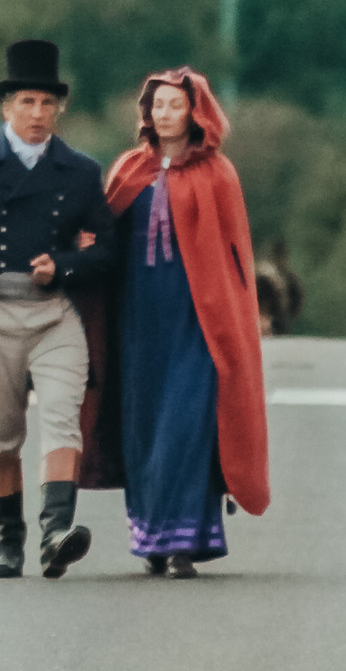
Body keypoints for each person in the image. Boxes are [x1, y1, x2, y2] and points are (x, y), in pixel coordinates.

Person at [0, 37, 115, 580]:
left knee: (63, 420)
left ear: (60, 109)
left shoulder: (79, 172)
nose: (38, 114)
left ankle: (56, 533)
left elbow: (107, 247)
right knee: (3, 430)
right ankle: (8, 539)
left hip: (56, 313)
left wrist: (64, 266)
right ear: (5, 106)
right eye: (27, 103)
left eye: (47, 104)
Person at [96, 68, 269, 577]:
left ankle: (182, 543)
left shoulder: (219, 175)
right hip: (138, 320)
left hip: (198, 321)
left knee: (187, 425)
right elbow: (103, 238)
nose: (164, 114)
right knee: (144, 425)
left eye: (175, 105)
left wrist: (232, 326)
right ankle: (151, 537)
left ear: (196, 112)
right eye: (157, 105)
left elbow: (233, 262)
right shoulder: (129, 168)